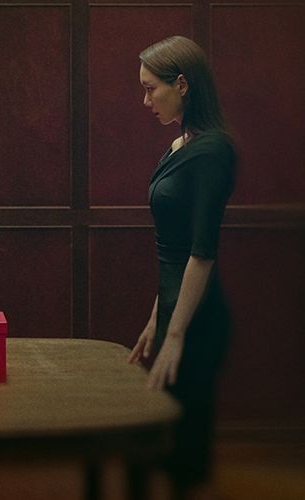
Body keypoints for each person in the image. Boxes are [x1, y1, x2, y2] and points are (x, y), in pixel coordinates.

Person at [128, 36, 236, 499]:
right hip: (176, 313)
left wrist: (175, 333)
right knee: (160, 454)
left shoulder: (212, 151)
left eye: (151, 89)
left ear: (183, 85)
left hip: (198, 321)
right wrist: (158, 318)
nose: (146, 100)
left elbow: (201, 252)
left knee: (182, 466)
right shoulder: (179, 145)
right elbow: (171, 250)